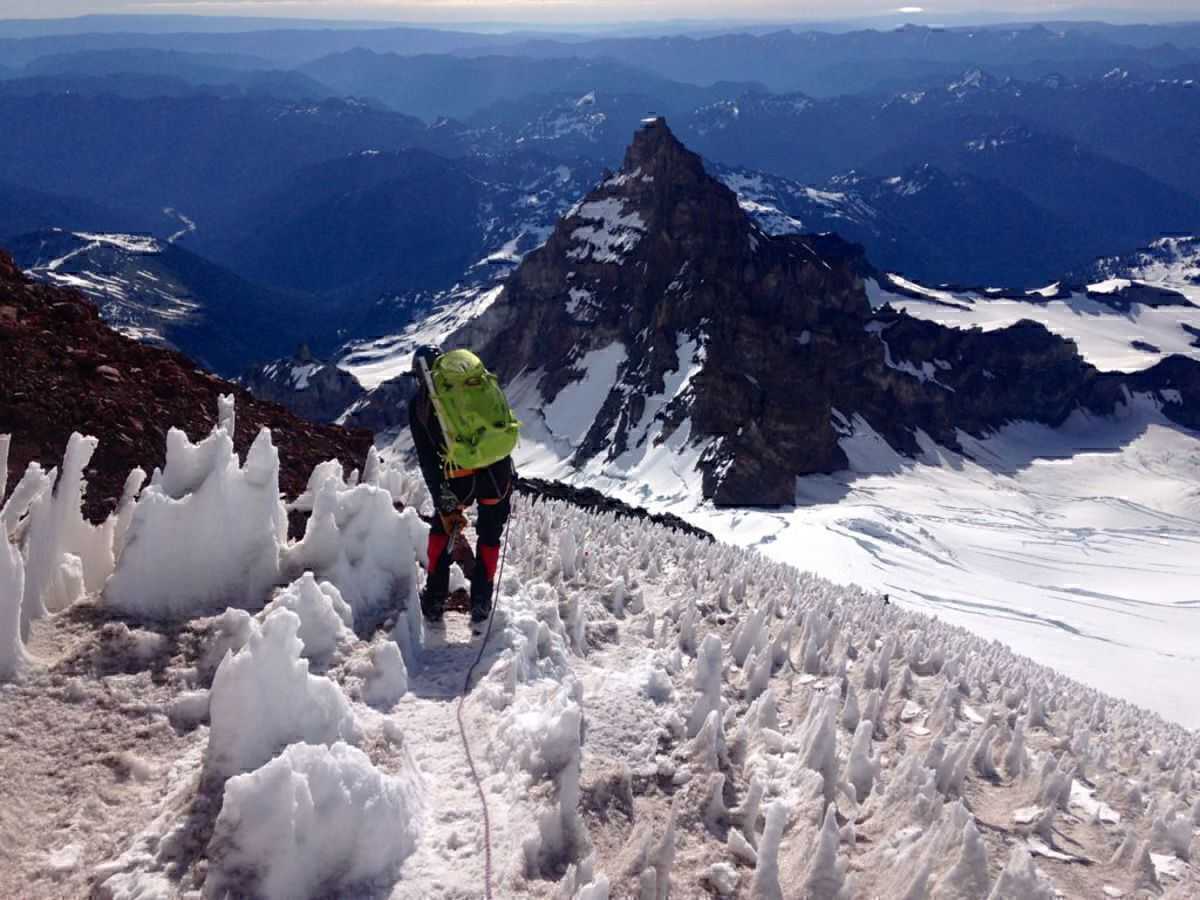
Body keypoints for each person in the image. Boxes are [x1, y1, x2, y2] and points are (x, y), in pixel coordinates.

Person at [409, 345, 514, 625]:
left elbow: (428, 461)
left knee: (442, 532)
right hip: (497, 472)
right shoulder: (475, 384)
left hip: (459, 476)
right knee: (490, 535)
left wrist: (443, 502)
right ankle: (481, 603)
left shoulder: (420, 401)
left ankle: (434, 600)